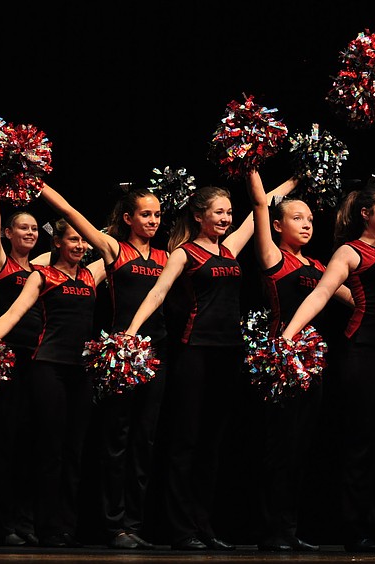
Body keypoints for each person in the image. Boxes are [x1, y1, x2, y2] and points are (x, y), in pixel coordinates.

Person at [124, 180, 295, 551]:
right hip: (194, 352)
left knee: (213, 445)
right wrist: (131, 332)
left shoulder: (231, 249)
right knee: (186, 441)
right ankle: (180, 529)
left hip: (228, 353)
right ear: (199, 215)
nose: (226, 218)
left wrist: (287, 178)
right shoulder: (184, 254)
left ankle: (204, 525)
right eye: (218, 212)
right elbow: (158, 293)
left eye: (228, 213)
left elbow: (260, 208)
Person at [280, 177, 375, 553]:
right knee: (360, 441)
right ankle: (355, 529)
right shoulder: (349, 252)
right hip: (361, 354)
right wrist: (290, 334)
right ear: (365, 213)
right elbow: (322, 293)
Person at [39, 181, 167, 550]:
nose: (153, 220)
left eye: (158, 215)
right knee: (118, 439)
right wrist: (37, 181)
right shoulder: (114, 249)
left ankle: (136, 523)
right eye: (145, 214)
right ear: (128, 218)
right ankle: (113, 526)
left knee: (145, 440)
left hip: (157, 353)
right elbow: (69, 213)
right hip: (121, 354)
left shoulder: (166, 255)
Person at [0, 218, 106, 548]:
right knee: (49, 450)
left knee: (74, 451)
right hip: (47, 366)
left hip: (80, 371)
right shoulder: (42, 275)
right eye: (73, 240)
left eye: (83, 241)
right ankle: (42, 524)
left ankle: (65, 526)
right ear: (58, 243)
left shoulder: (92, 275)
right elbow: (13, 314)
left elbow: (115, 248)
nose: (80, 245)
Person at [244, 169, 352, 552]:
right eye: (296, 218)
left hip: (314, 365)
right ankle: (271, 530)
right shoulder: (273, 257)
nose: (306, 224)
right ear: (277, 226)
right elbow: (258, 202)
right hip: (281, 361)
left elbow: (361, 302)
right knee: (280, 445)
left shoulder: (320, 267)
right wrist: (254, 162)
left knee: (302, 447)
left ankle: (288, 528)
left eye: (309, 218)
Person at [0, 187, 43, 546]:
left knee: (30, 444)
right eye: (23, 227)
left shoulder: (43, 268)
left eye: (35, 228)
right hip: (5, 360)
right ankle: (0, 524)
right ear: (7, 233)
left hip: (36, 360)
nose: (31, 233)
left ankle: (26, 521)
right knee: (2, 443)